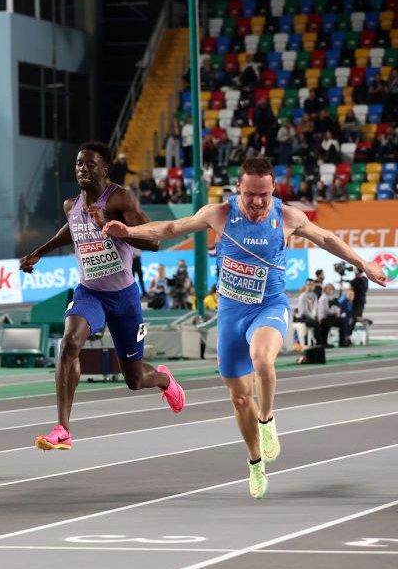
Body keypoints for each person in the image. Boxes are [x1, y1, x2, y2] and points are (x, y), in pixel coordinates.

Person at [103, 156, 387, 498]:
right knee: (239, 399)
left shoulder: (288, 217)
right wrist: (129, 231)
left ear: (272, 191)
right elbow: (169, 229)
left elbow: (326, 238)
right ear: (239, 188)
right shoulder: (219, 214)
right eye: (250, 194)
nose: (257, 202)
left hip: (269, 306)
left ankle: (267, 421)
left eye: (264, 195)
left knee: (263, 359)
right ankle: (255, 462)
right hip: (231, 315)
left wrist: (363, 263)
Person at [19, 141, 185, 453]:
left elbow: (154, 242)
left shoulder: (120, 197)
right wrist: (38, 252)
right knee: (69, 343)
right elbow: (70, 231)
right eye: (79, 164)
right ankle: (63, 429)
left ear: (104, 169)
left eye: (90, 164)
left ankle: (163, 381)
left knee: (135, 380)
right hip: (90, 292)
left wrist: (110, 227)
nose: (83, 169)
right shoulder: (72, 206)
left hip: (123, 298)